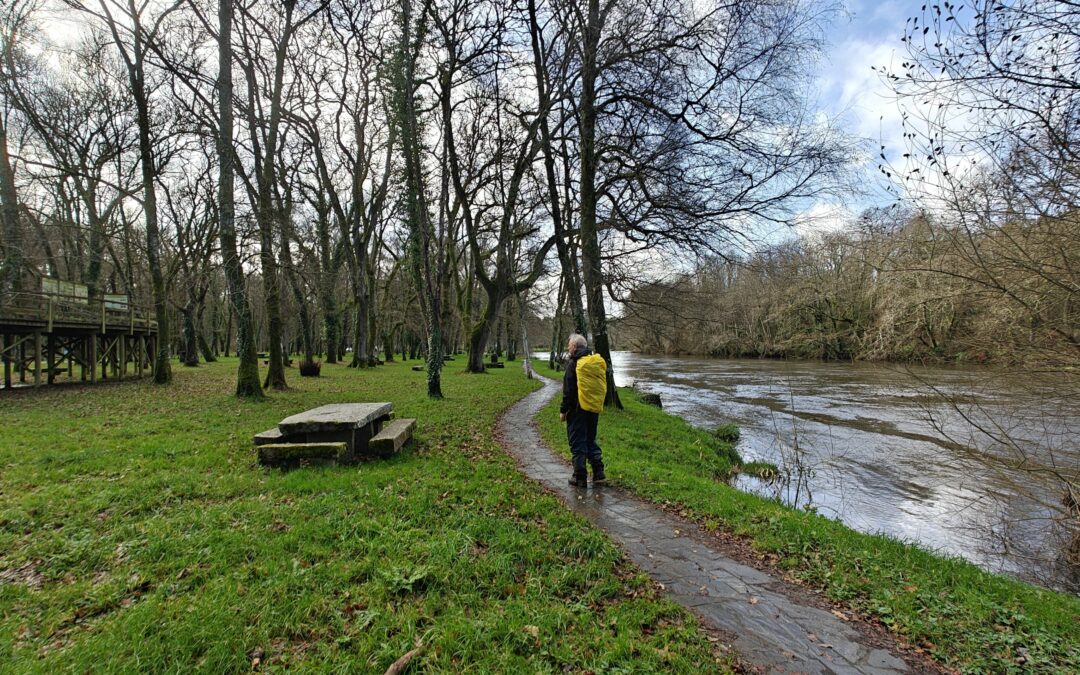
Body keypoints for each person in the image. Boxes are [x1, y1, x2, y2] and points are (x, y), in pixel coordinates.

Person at [560, 333, 605, 487]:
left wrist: (563, 410)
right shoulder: (594, 362)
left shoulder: (574, 364)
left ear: (574, 347)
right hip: (593, 408)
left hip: (577, 409)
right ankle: (599, 473)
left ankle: (579, 478)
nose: (568, 348)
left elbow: (568, 391)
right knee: (590, 439)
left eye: (569, 345)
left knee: (577, 442)